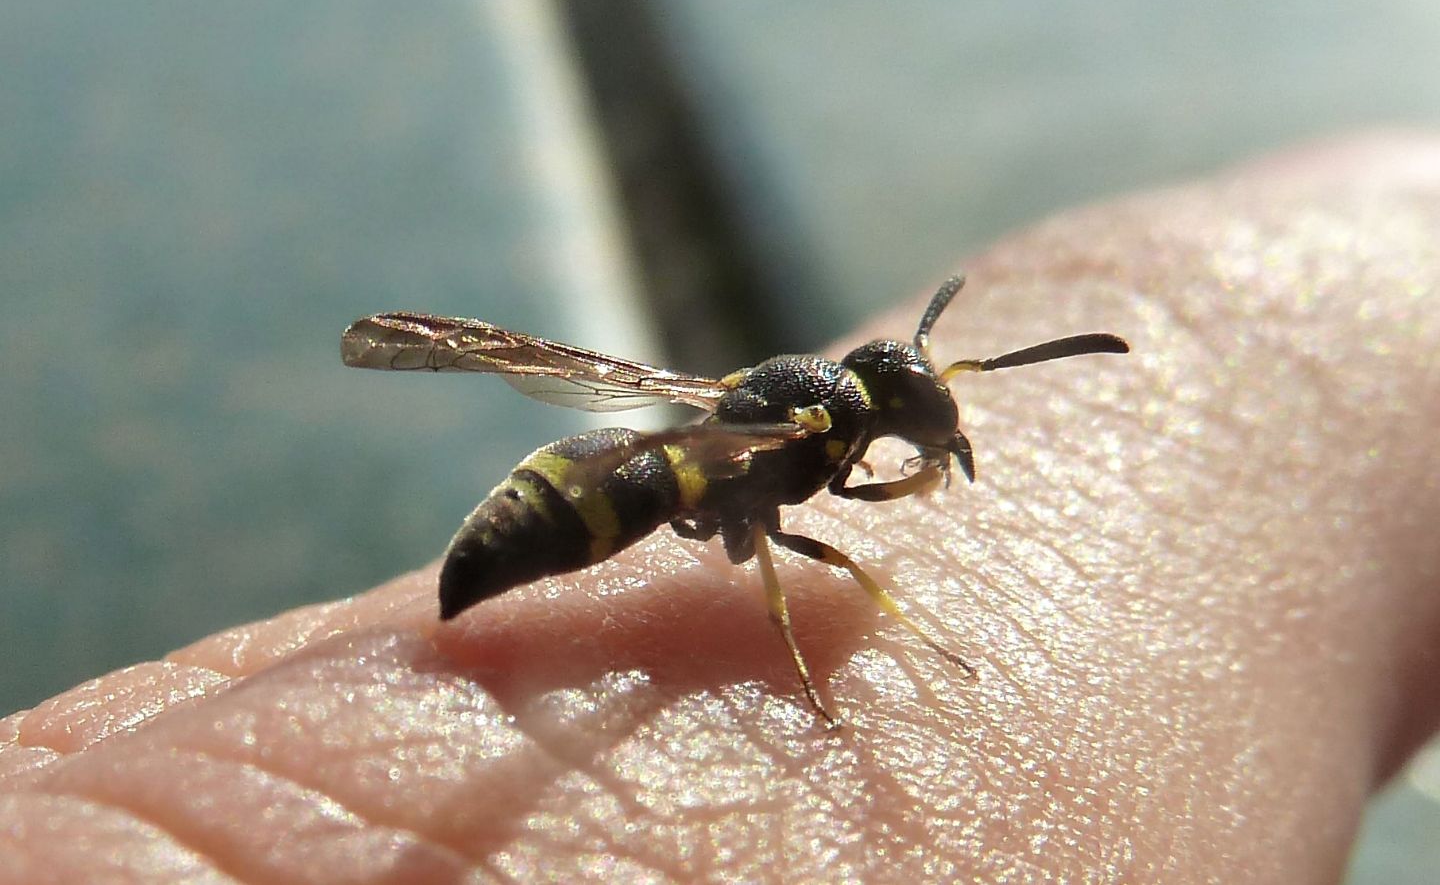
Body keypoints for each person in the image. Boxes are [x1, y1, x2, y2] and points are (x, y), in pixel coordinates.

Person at [3, 135, 1437, 883]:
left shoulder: (797, 419)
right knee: (765, 547)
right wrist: (855, 643)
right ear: (856, 407)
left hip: (614, 482)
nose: (930, 423)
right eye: (921, 403)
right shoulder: (801, 423)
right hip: (579, 506)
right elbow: (787, 522)